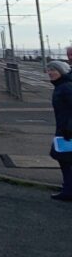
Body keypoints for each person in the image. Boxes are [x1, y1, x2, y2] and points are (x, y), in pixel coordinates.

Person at [46, 60, 72, 201]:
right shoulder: (61, 86)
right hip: (64, 129)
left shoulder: (66, 87)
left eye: (53, 70)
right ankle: (68, 187)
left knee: (64, 159)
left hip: (67, 131)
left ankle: (68, 190)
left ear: (61, 71)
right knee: (64, 159)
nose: (50, 73)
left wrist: (69, 128)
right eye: (48, 70)